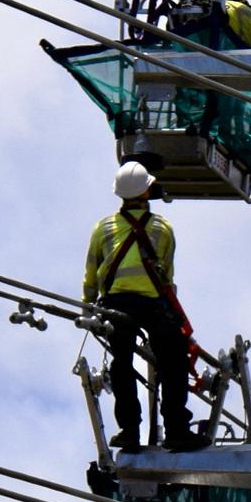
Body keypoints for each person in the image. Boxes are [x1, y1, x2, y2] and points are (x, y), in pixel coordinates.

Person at [85, 161, 197, 453]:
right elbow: (167, 275)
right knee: (173, 364)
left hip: (116, 304)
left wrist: (87, 307)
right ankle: (176, 430)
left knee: (122, 366)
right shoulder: (162, 227)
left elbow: (91, 272)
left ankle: (130, 432)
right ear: (147, 190)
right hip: (154, 304)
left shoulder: (103, 227)